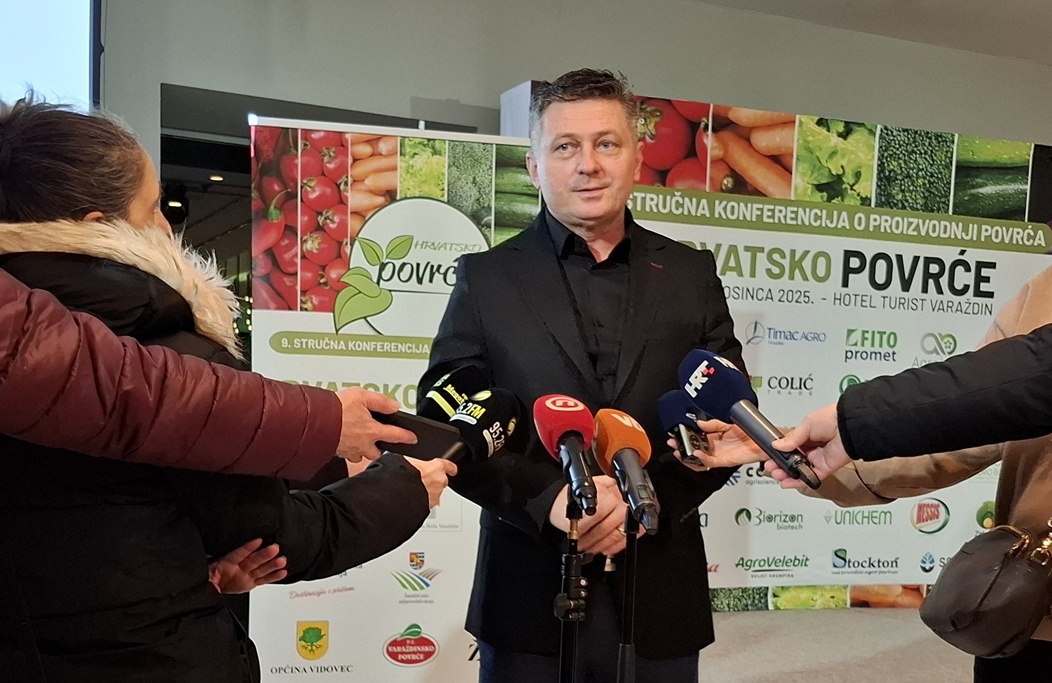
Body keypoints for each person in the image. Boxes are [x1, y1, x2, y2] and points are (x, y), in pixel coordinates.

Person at [0, 94, 456, 682]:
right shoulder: (162, 346)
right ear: (97, 227)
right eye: (153, 207)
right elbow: (279, 538)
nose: (168, 226)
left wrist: (325, 462)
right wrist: (405, 488)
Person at [421, 69, 743, 683]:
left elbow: (723, 413)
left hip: (659, 583)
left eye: (606, 143)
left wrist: (646, 502)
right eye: (565, 146)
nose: (587, 164)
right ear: (535, 166)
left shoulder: (691, 275)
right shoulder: (486, 278)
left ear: (637, 158)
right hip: (528, 586)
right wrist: (547, 501)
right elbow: (449, 418)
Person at [0, 260, 416, 476]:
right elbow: (124, 388)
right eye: (153, 208)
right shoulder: (175, 344)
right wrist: (326, 424)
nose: (166, 229)